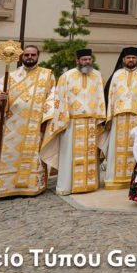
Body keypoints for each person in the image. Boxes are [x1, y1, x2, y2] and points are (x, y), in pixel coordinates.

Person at [0, 44, 56, 198]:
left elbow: (52, 97)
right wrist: (0, 100)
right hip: (13, 125)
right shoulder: (10, 76)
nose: (30, 57)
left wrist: (47, 118)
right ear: (21, 57)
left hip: (35, 124)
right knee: (10, 154)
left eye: (33, 55)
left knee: (33, 155)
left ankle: (32, 186)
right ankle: (7, 188)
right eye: (27, 55)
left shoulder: (47, 75)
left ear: (38, 56)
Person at [42, 49, 106, 195]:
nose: (87, 62)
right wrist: (60, 122)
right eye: (84, 59)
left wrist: (101, 119)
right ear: (77, 61)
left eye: (89, 59)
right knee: (69, 155)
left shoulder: (97, 76)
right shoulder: (66, 76)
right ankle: (67, 186)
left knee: (90, 155)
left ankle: (89, 185)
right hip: (72, 123)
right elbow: (60, 100)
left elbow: (100, 98)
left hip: (91, 123)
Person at [103, 47, 137, 190]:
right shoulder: (117, 74)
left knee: (135, 147)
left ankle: (133, 177)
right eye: (128, 58)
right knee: (116, 149)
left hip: (136, 117)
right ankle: (114, 179)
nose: (131, 60)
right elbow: (110, 96)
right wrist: (109, 118)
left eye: (134, 58)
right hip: (118, 117)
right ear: (123, 59)